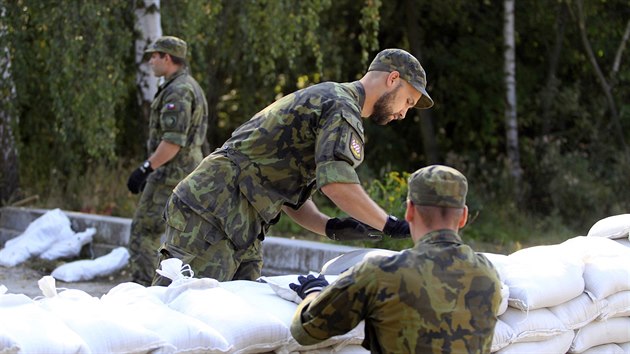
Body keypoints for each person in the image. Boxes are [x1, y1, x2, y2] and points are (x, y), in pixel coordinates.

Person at [152, 48, 434, 285]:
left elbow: (289, 196)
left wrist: (329, 226)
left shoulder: (334, 100)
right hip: (213, 209)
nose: (403, 113)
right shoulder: (340, 107)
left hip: (242, 219)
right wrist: (392, 225)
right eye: (407, 101)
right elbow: (337, 185)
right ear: (392, 78)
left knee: (231, 320)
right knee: (183, 309)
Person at [289, 165, 502, 353]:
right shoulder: (489, 276)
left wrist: (313, 292)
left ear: (409, 210)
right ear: (463, 216)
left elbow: (305, 330)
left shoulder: (381, 273)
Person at [127, 36, 209, 286]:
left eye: (155, 56)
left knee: (144, 232)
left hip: (170, 173)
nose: (151, 60)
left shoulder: (179, 90)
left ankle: (143, 292)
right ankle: (168, 289)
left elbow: (173, 142)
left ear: (168, 58)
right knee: (178, 237)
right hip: (185, 171)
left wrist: (145, 168)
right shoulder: (187, 85)